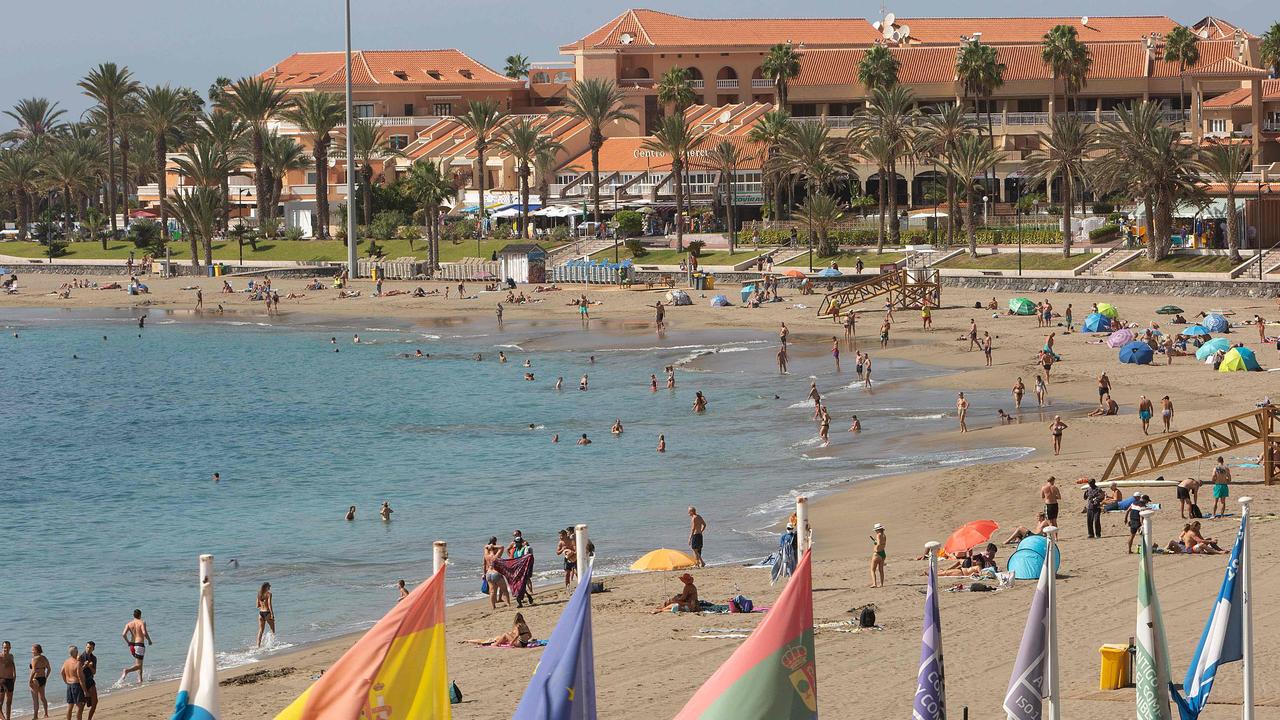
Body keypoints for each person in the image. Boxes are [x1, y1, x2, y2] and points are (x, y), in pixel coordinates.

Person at [118, 610, 150, 685]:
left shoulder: (129, 624)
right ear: (140, 615)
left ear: (133, 615)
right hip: (139, 644)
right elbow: (144, 633)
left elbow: (123, 634)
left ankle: (140, 679)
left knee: (139, 663)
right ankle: (127, 670)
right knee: (139, 665)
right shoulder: (142, 622)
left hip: (132, 645)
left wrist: (128, 642)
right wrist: (149, 640)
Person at [465, 613, 535, 646]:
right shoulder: (525, 625)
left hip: (519, 644)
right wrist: (525, 639)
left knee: (504, 634)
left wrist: (511, 642)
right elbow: (530, 635)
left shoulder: (517, 626)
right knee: (504, 635)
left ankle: (495, 644)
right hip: (524, 644)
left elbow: (516, 635)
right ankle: (468, 641)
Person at [483, 537, 511, 608]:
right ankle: (508, 604)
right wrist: (493, 546)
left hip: (488, 574)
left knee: (492, 592)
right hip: (496, 573)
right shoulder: (496, 556)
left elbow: (484, 565)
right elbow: (502, 547)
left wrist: (488, 546)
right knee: (504, 590)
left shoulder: (486, 555)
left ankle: (493, 607)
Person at [61, 646, 85, 720]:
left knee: (70, 706)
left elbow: (62, 672)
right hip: (76, 685)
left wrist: (66, 681)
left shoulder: (66, 661)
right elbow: (80, 677)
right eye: (77, 651)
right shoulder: (77, 663)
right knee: (79, 706)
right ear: (76, 653)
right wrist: (85, 691)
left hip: (69, 685)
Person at [29, 644, 50, 719]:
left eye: (33, 649)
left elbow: (33, 670)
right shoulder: (44, 658)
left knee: (35, 699)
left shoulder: (34, 659)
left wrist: (30, 680)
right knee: (42, 697)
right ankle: (46, 713)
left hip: (36, 679)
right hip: (42, 679)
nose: (32, 651)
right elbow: (49, 669)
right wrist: (46, 677)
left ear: (36, 650)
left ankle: (35, 716)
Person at [78, 642, 97, 720]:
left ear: (93, 649)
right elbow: (77, 671)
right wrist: (84, 666)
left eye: (91, 648)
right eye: (88, 647)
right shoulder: (81, 657)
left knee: (95, 702)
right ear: (85, 647)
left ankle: (89, 718)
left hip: (90, 680)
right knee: (82, 704)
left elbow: (94, 672)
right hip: (82, 682)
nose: (89, 649)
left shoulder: (93, 658)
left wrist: (90, 667)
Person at [255, 583, 276, 648]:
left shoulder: (259, 593)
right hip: (267, 613)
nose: (270, 587)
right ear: (266, 587)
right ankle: (272, 644)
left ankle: (258, 645)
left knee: (261, 630)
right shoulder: (269, 594)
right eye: (269, 586)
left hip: (261, 613)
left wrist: (262, 604)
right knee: (272, 629)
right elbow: (269, 604)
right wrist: (272, 614)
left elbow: (257, 605)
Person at [869, 524, 886, 588]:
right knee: (881, 570)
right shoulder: (884, 535)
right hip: (883, 553)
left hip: (877, 553)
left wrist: (876, 545)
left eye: (876, 530)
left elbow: (879, 543)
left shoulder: (878, 535)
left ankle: (874, 584)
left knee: (872, 569)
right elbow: (882, 543)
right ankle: (881, 584)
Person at [0, 641, 12, 720]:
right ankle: (2, 718)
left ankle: (8, 718)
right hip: (1, 680)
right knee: (0, 702)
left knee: (9, 702)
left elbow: (12, 667)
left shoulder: (11, 656)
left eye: (7, 647)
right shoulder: (0, 657)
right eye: (4, 647)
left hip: (10, 680)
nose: (6, 649)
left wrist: (14, 677)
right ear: (2, 648)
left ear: (10, 648)